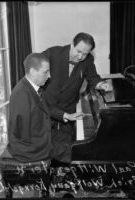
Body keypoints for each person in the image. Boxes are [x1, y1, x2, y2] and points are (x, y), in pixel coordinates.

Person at [42, 32, 112, 164]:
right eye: (78, 51)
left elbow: (93, 77)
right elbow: (35, 69)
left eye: (85, 53)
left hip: (69, 110)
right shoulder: (52, 53)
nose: (80, 57)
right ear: (72, 44)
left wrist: (101, 84)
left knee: (71, 149)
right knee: (49, 150)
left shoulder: (88, 60)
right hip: (47, 109)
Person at [5, 53, 51, 162]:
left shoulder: (32, 87)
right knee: (68, 152)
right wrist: (47, 143)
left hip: (39, 140)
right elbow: (22, 135)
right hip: (30, 151)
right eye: (45, 72)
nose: (49, 76)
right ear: (32, 71)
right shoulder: (21, 94)